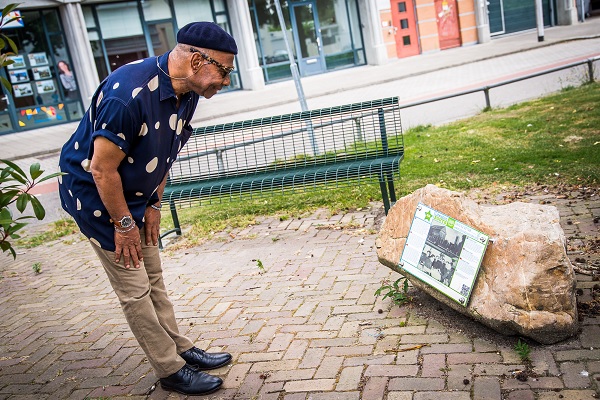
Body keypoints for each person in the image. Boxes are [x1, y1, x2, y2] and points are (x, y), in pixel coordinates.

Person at [58, 22, 237, 396]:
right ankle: (169, 369)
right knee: (135, 289)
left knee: (153, 277)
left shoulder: (186, 92)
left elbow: (165, 153)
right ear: (195, 59)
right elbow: (101, 169)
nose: (225, 81)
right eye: (223, 70)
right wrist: (123, 225)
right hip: (99, 199)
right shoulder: (129, 94)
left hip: (138, 197)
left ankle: (181, 349)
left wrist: (155, 202)